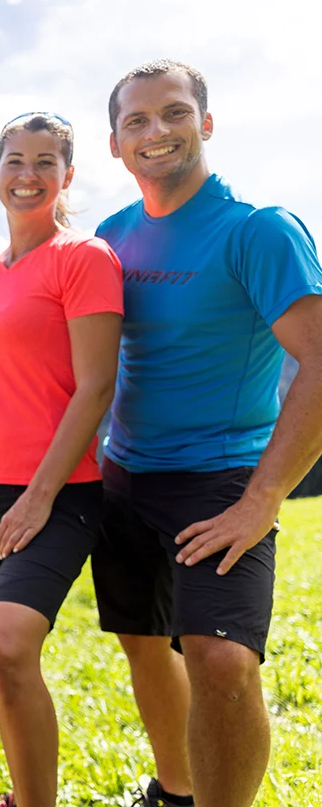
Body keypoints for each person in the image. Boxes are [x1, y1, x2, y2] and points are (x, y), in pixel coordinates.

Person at [93, 60, 322, 807]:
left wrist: (261, 502)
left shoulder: (258, 230)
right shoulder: (110, 237)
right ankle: (173, 792)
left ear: (207, 123)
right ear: (116, 144)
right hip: (124, 478)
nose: (156, 130)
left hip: (221, 479)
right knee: (143, 642)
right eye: (136, 120)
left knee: (222, 663)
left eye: (174, 112)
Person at [0, 113, 123, 807]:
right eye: (15, 160)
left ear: (68, 175)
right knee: (3, 662)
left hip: (59, 492)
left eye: (46, 162)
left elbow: (96, 386)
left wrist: (40, 497)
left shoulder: (84, 258)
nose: (28, 175)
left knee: (8, 644)